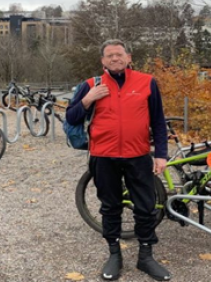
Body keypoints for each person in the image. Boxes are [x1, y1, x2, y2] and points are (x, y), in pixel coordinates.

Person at [66, 39, 171, 281]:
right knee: (110, 207)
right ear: (103, 61)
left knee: (145, 207)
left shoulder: (147, 82)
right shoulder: (91, 85)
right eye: (109, 55)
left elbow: (158, 121)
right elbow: (71, 117)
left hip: (138, 155)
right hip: (104, 157)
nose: (115, 58)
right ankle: (114, 255)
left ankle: (146, 257)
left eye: (119, 54)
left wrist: (162, 155)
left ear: (129, 57)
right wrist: (88, 99)